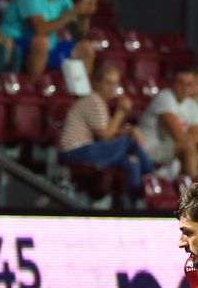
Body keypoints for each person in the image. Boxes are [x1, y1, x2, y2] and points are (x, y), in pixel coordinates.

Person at [58, 64, 152, 202]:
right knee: (128, 140)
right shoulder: (93, 101)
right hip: (76, 151)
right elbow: (105, 136)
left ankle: (137, 201)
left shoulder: (100, 103)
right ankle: (152, 174)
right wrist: (121, 112)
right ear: (97, 83)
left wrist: (129, 130)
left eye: (115, 84)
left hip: (87, 149)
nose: (111, 88)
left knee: (132, 162)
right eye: (108, 83)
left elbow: (110, 131)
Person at [0, 0, 95, 81]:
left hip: (49, 46)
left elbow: (80, 35)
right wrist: (73, 12)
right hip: (14, 41)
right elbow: (40, 30)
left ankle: (81, 90)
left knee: (86, 48)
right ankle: (34, 87)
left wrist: (85, 17)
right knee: (41, 42)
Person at [136, 68, 198, 178]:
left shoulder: (191, 104)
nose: (185, 88)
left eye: (189, 84)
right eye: (181, 83)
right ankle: (196, 187)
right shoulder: (165, 98)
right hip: (148, 150)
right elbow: (179, 136)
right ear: (173, 83)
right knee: (188, 146)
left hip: (169, 149)